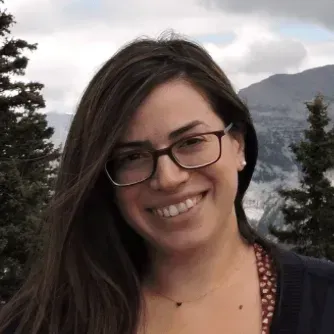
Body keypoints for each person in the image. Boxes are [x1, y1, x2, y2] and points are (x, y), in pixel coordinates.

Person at [1, 34, 334, 334]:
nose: (168, 178)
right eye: (132, 157)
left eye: (191, 142)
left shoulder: (324, 301)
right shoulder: (40, 322)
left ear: (238, 144)